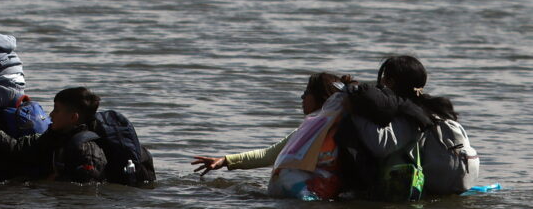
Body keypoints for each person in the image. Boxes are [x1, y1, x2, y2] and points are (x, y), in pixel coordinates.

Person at [192, 73, 357, 200]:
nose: (302, 97)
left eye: (307, 92)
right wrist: (224, 161)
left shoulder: (342, 133)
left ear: (322, 97)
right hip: (303, 199)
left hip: (313, 199)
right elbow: (269, 154)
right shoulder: (305, 133)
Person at [337, 55, 478, 197]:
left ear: (390, 82)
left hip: (424, 188)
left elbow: (380, 145)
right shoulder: (436, 108)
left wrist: (355, 112)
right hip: (454, 181)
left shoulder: (412, 115)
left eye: (384, 78)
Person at [0, 87, 107, 183]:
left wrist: (51, 183)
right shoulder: (55, 136)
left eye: (57, 110)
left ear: (73, 117)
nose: (51, 114)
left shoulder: (87, 149)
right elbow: (20, 148)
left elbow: (88, 188)